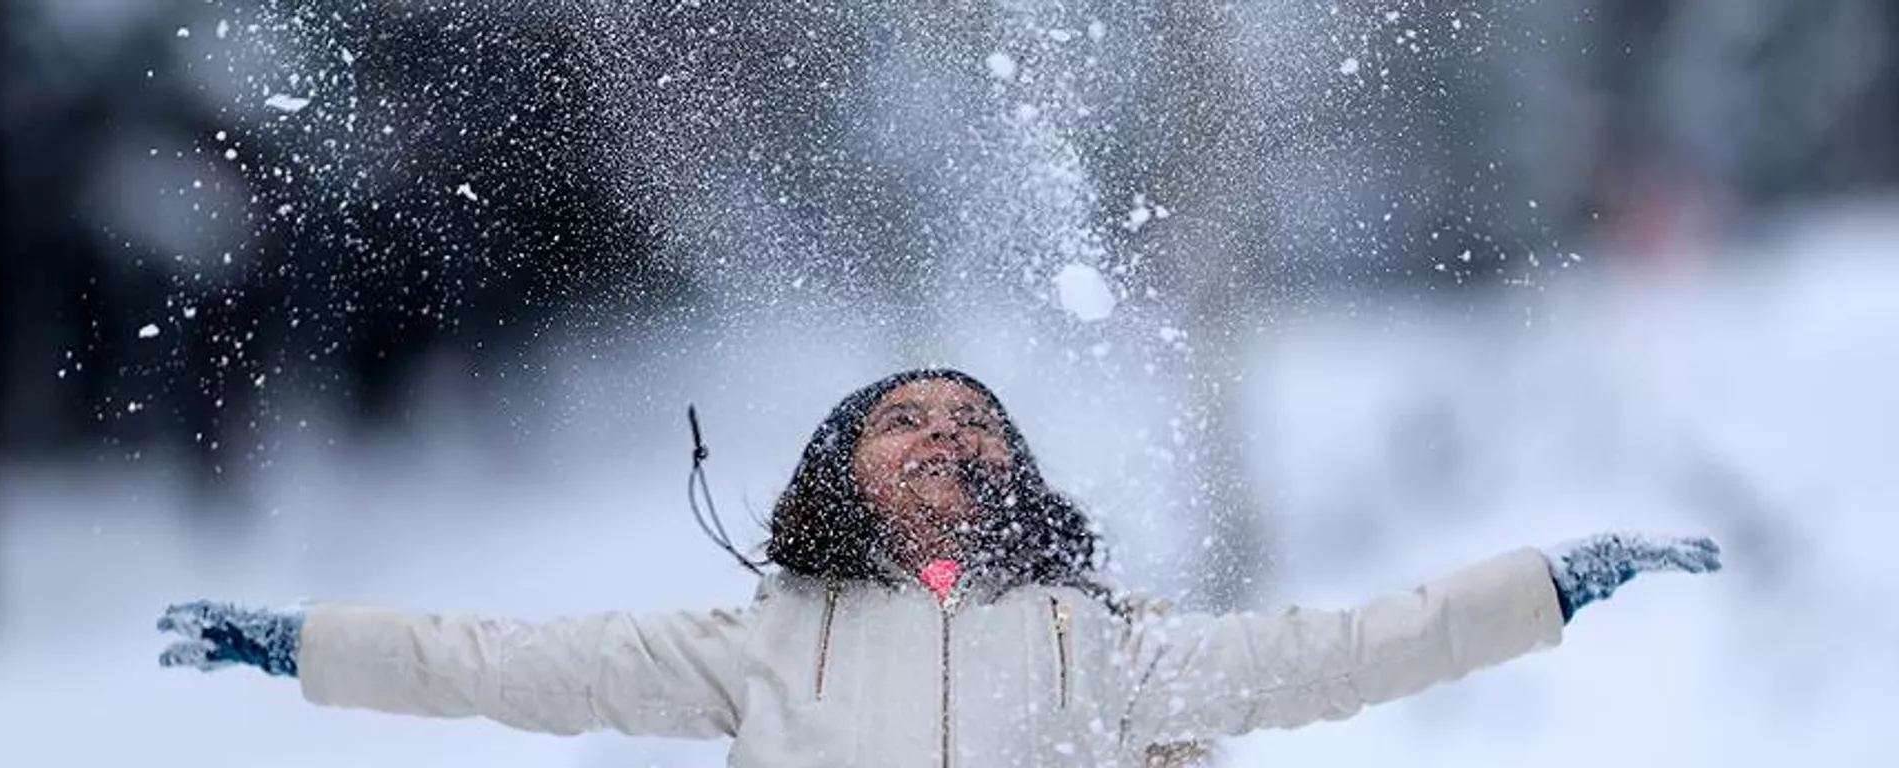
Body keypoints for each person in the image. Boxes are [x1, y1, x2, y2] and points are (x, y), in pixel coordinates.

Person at [158, 368, 1722, 767]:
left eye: (973, 421)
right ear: (839, 471)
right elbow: (498, 663)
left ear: (1015, 476)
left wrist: (1551, 585)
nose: (940, 437)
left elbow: (1349, 647)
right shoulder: (755, 646)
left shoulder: (1109, 647)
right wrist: (302, 643)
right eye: (900, 420)